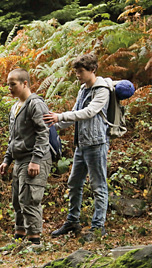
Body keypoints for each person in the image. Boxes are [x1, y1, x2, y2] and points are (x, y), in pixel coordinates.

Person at [44, 53, 109, 241]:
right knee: (74, 183)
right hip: (81, 144)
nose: (78, 75)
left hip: (96, 143)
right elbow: (75, 113)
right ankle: (72, 221)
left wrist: (60, 116)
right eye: (76, 72)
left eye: (81, 72)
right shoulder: (83, 89)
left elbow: (89, 112)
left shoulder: (102, 89)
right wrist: (53, 124)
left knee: (98, 185)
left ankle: (98, 228)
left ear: (92, 70)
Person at [0, 68, 52, 247]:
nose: (10, 88)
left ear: (24, 84)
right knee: (17, 200)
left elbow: (43, 133)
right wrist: (7, 160)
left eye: (13, 84)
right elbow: (13, 138)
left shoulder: (35, 104)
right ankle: (19, 237)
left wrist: (36, 160)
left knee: (30, 199)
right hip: (20, 160)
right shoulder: (15, 107)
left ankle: (35, 241)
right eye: (8, 85)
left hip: (35, 159)